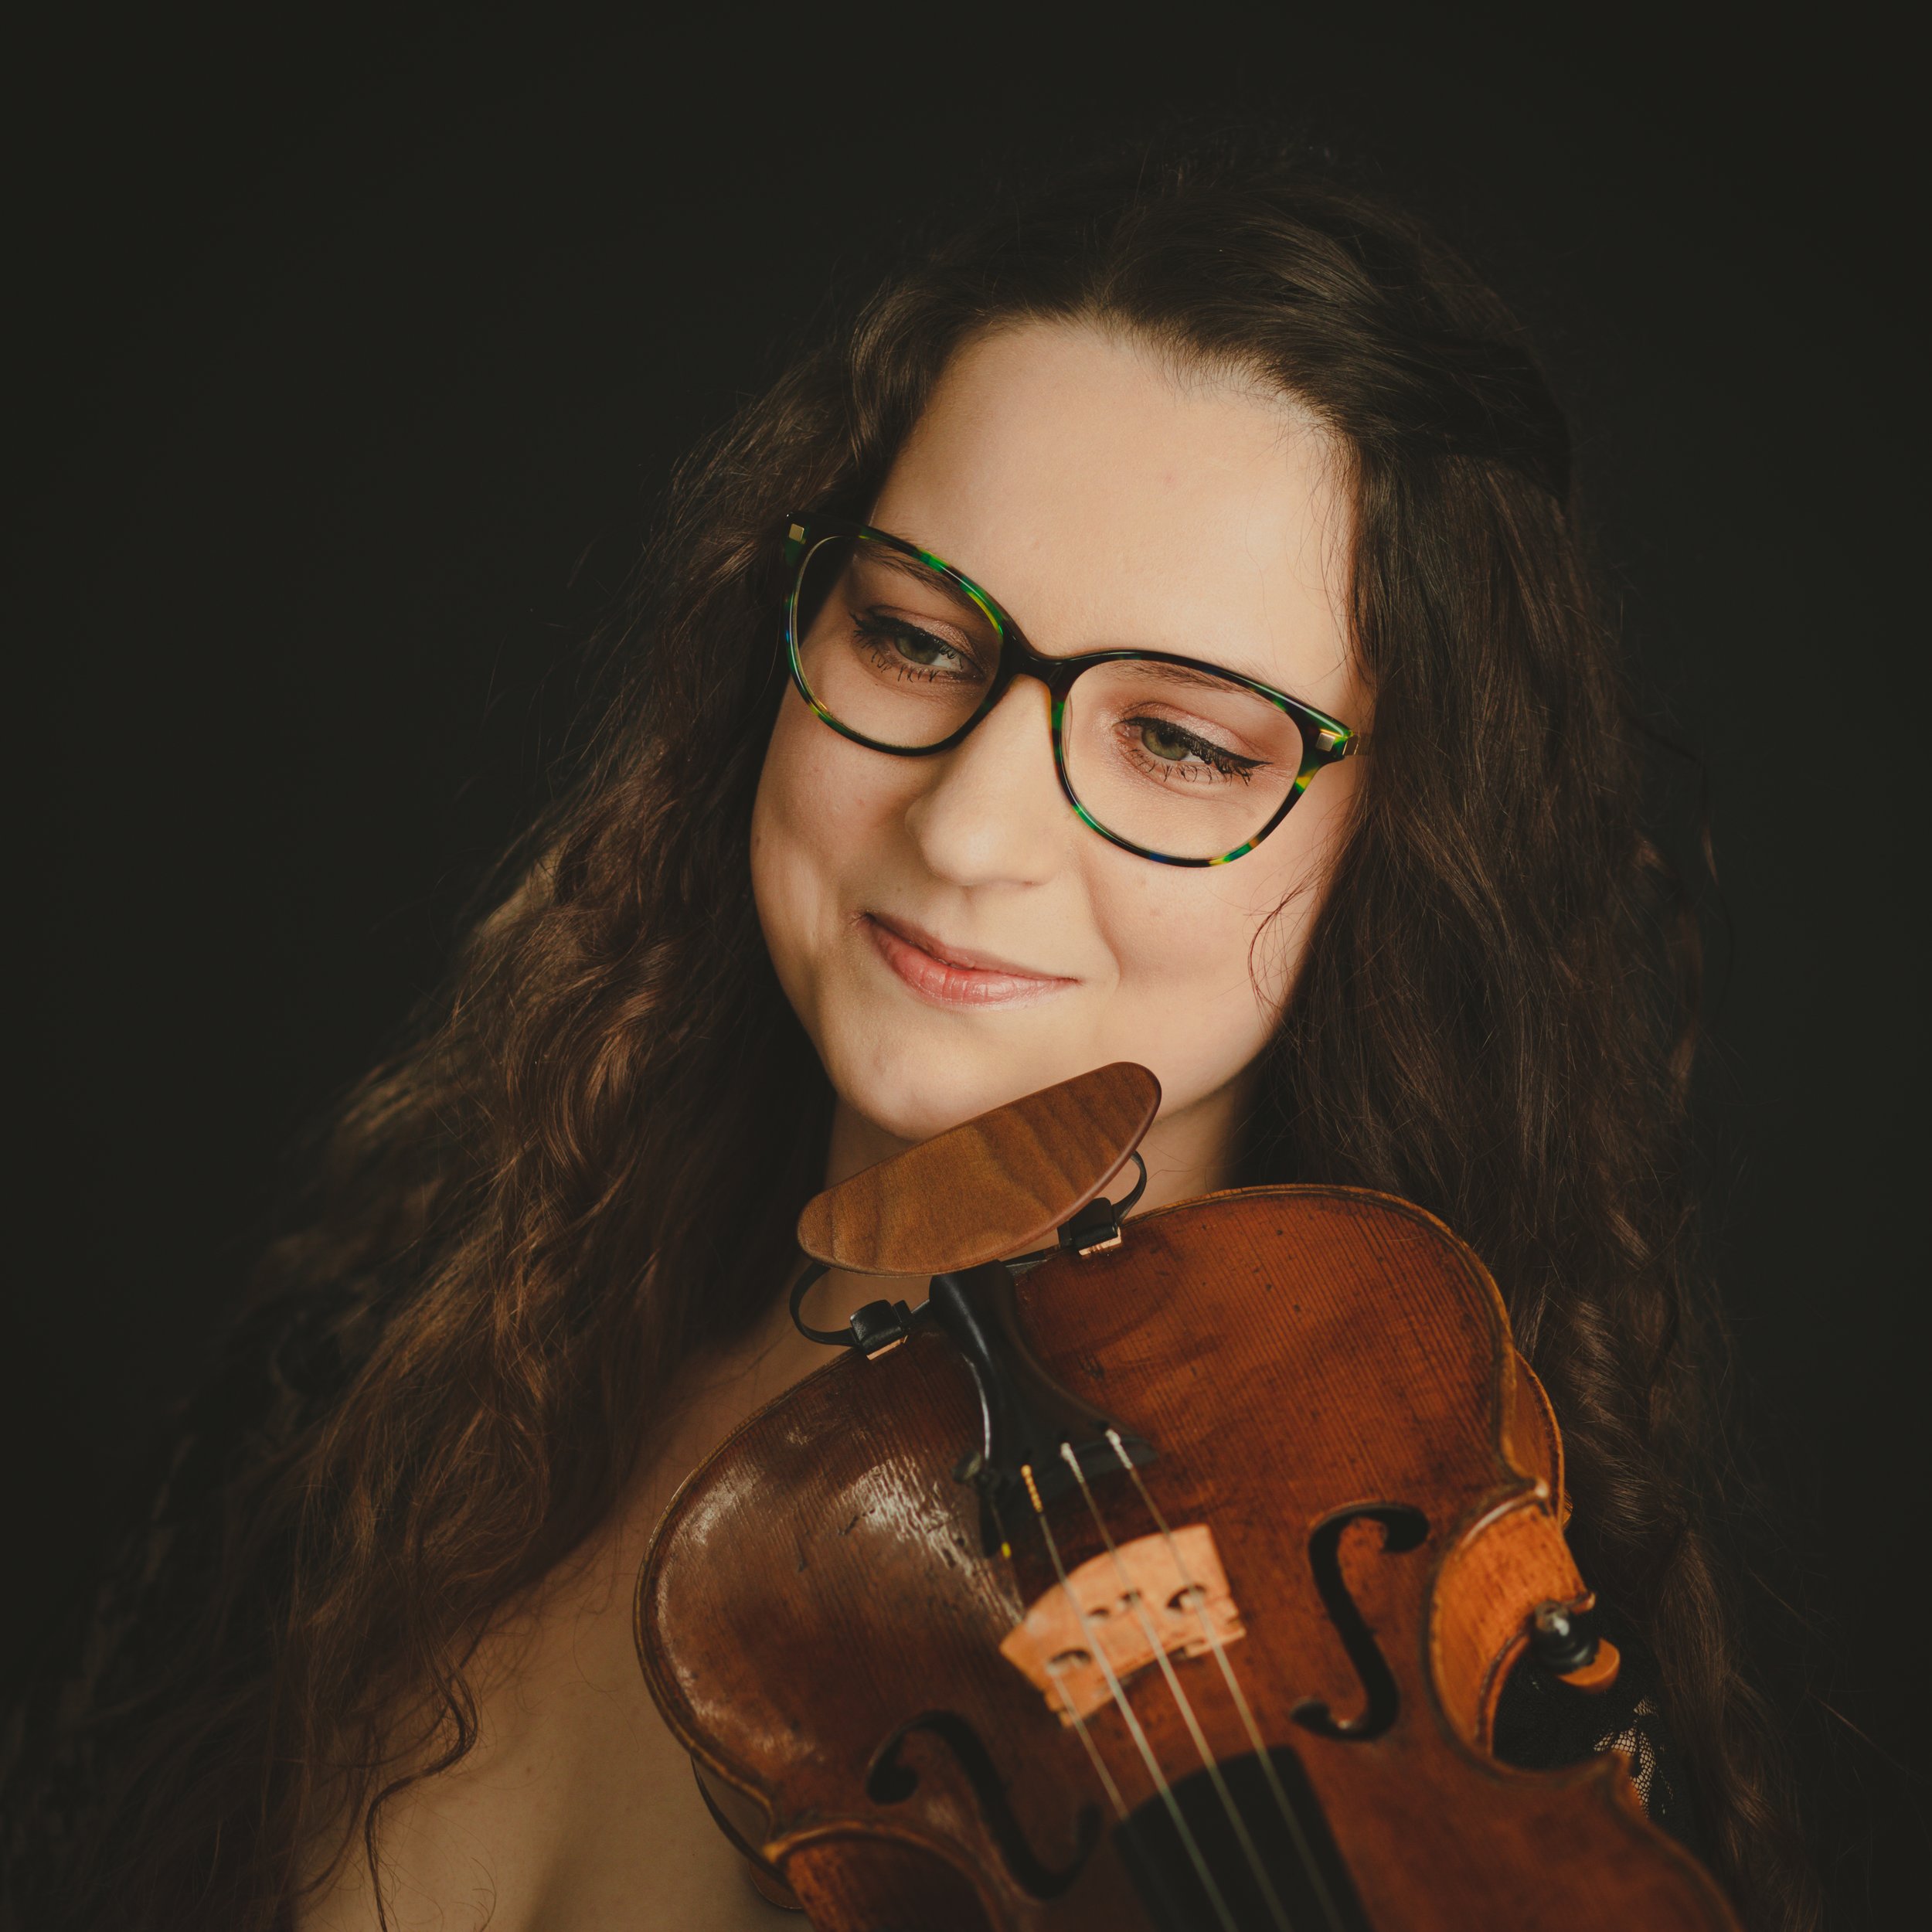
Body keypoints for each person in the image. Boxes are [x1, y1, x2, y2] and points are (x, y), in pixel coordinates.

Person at [2, 137, 1816, 1931]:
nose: (963, 828)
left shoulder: (1407, 1692)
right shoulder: (383, 1378)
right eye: (912, 637)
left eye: (1179, 740)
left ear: (1400, 844)